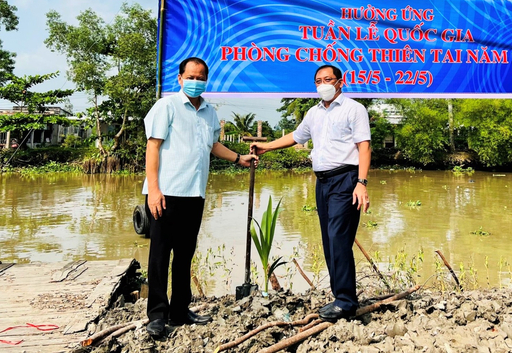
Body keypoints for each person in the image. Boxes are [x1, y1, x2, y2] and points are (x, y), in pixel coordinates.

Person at [143, 56, 257, 337]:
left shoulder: (209, 112)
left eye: (200, 77)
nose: (196, 82)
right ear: (179, 79)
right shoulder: (166, 106)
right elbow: (153, 147)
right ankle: (157, 315)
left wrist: (238, 158)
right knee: (160, 256)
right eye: (191, 77)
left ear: (206, 80)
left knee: (185, 255)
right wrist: (154, 190)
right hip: (166, 193)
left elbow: (213, 145)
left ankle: (180, 311)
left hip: (195, 193)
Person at [251, 64, 371, 322]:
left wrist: (361, 182)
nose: (323, 84)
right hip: (323, 182)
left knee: (339, 238)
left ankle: (347, 302)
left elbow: (364, 147)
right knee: (329, 241)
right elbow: (296, 136)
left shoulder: (354, 109)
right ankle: (340, 296)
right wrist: (266, 147)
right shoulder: (314, 113)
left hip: (346, 180)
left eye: (328, 79)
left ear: (340, 82)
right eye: (318, 80)